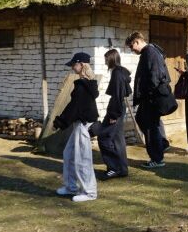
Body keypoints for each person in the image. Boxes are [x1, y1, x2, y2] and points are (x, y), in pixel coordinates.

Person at [54, 52, 100, 202]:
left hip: (83, 124)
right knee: (69, 154)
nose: (73, 67)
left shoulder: (83, 86)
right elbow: (74, 107)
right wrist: (62, 121)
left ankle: (90, 192)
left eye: (74, 64)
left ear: (82, 65)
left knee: (82, 159)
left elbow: (74, 107)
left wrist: (60, 122)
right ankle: (71, 187)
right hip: (79, 123)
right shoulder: (84, 84)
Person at [126, 31, 170, 168]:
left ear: (137, 41)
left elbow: (155, 74)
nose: (132, 50)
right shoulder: (149, 51)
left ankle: (157, 158)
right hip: (148, 97)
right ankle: (160, 147)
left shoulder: (150, 52)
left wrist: (150, 93)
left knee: (150, 127)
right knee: (145, 122)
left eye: (132, 47)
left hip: (151, 97)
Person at [94, 49, 131, 179]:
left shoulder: (117, 73)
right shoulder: (119, 72)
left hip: (116, 108)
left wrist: (113, 115)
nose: (105, 62)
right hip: (118, 107)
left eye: (106, 59)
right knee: (117, 139)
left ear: (111, 59)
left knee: (104, 137)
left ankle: (114, 168)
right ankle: (122, 169)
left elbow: (118, 95)